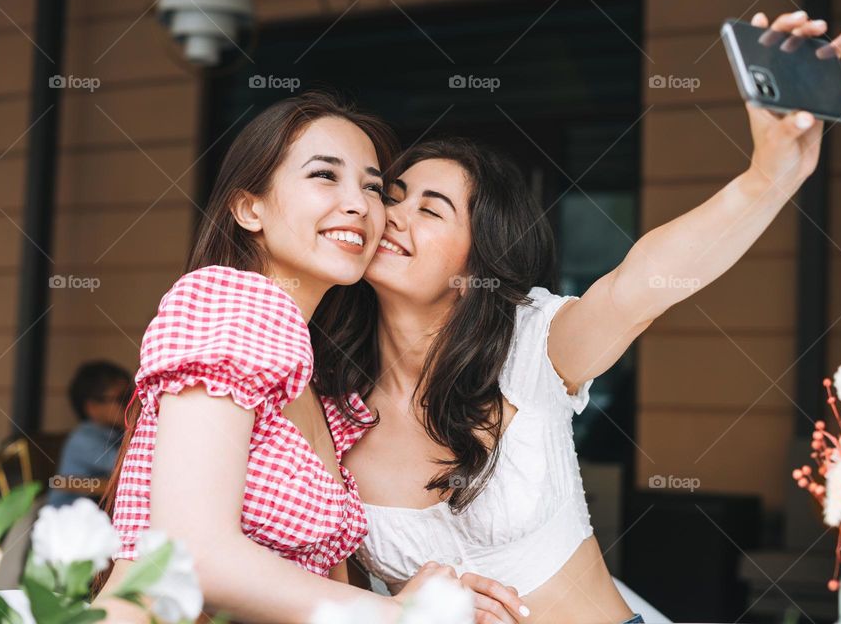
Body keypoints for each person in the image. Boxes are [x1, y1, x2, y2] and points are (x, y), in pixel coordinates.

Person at [312, 10, 841, 624]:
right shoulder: (329, 399)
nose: (394, 216)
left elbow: (640, 283)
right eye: (393, 196)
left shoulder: (530, 347)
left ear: (480, 259)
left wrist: (769, 176)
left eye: (432, 210)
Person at [93, 92, 525, 624]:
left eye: (372, 186)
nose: (359, 204)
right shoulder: (229, 304)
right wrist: (400, 615)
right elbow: (193, 555)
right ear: (249, 208)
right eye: (325, 175)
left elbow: (311, 591)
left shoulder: (320, 384)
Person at [48, 360, 130, 508]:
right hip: (67, 515)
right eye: (122, 398)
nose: (130, 403)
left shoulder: (116, 432)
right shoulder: (84, 439)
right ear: (92, 406)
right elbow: (128, 467)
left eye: (132, 396)